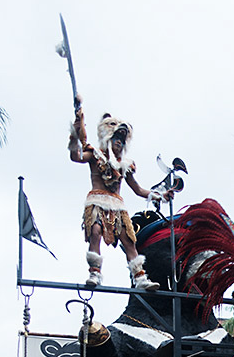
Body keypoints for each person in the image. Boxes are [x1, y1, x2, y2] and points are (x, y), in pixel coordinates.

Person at [69, 101, 172, 290]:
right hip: (97, 201)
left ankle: (140, 278)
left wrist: (161, 196)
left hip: (118, 206)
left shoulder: (126, 164)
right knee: (95, 232)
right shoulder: (95, 155)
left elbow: (138, 190)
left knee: (129, 241)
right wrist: (75, 134)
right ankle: (95, 273)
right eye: (116, 138)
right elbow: (75, 156)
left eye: (122, 140)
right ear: (109, 138)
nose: (119, 143)